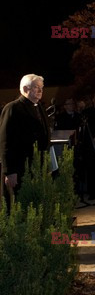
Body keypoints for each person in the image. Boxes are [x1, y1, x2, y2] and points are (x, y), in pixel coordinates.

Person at [0, 74, 51, 209]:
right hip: (20, 168)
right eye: (36, 87)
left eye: (41, 88)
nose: (40, 91)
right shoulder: (13, 108)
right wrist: (9, 171)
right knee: (20, 205)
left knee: (35, 204)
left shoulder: (38, 106)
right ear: (25, 88)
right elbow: (6, 142)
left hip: (38, 165)